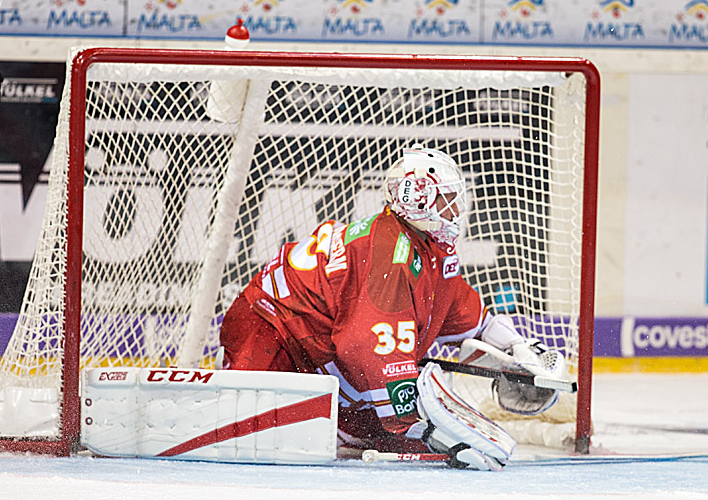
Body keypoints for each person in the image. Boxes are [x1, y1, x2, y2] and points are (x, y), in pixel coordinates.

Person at [218, 145, 563, 470]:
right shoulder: (391, 255)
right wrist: (418, 428)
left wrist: (518, 350)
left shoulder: (427, 246)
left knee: (371, 423)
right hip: (270, 330)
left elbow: (462, 314)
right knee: (242, 433)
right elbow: (365, 346)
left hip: (313, 345)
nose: (456, 209)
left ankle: (347, 424)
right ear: (419, 201)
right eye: (446, 200)